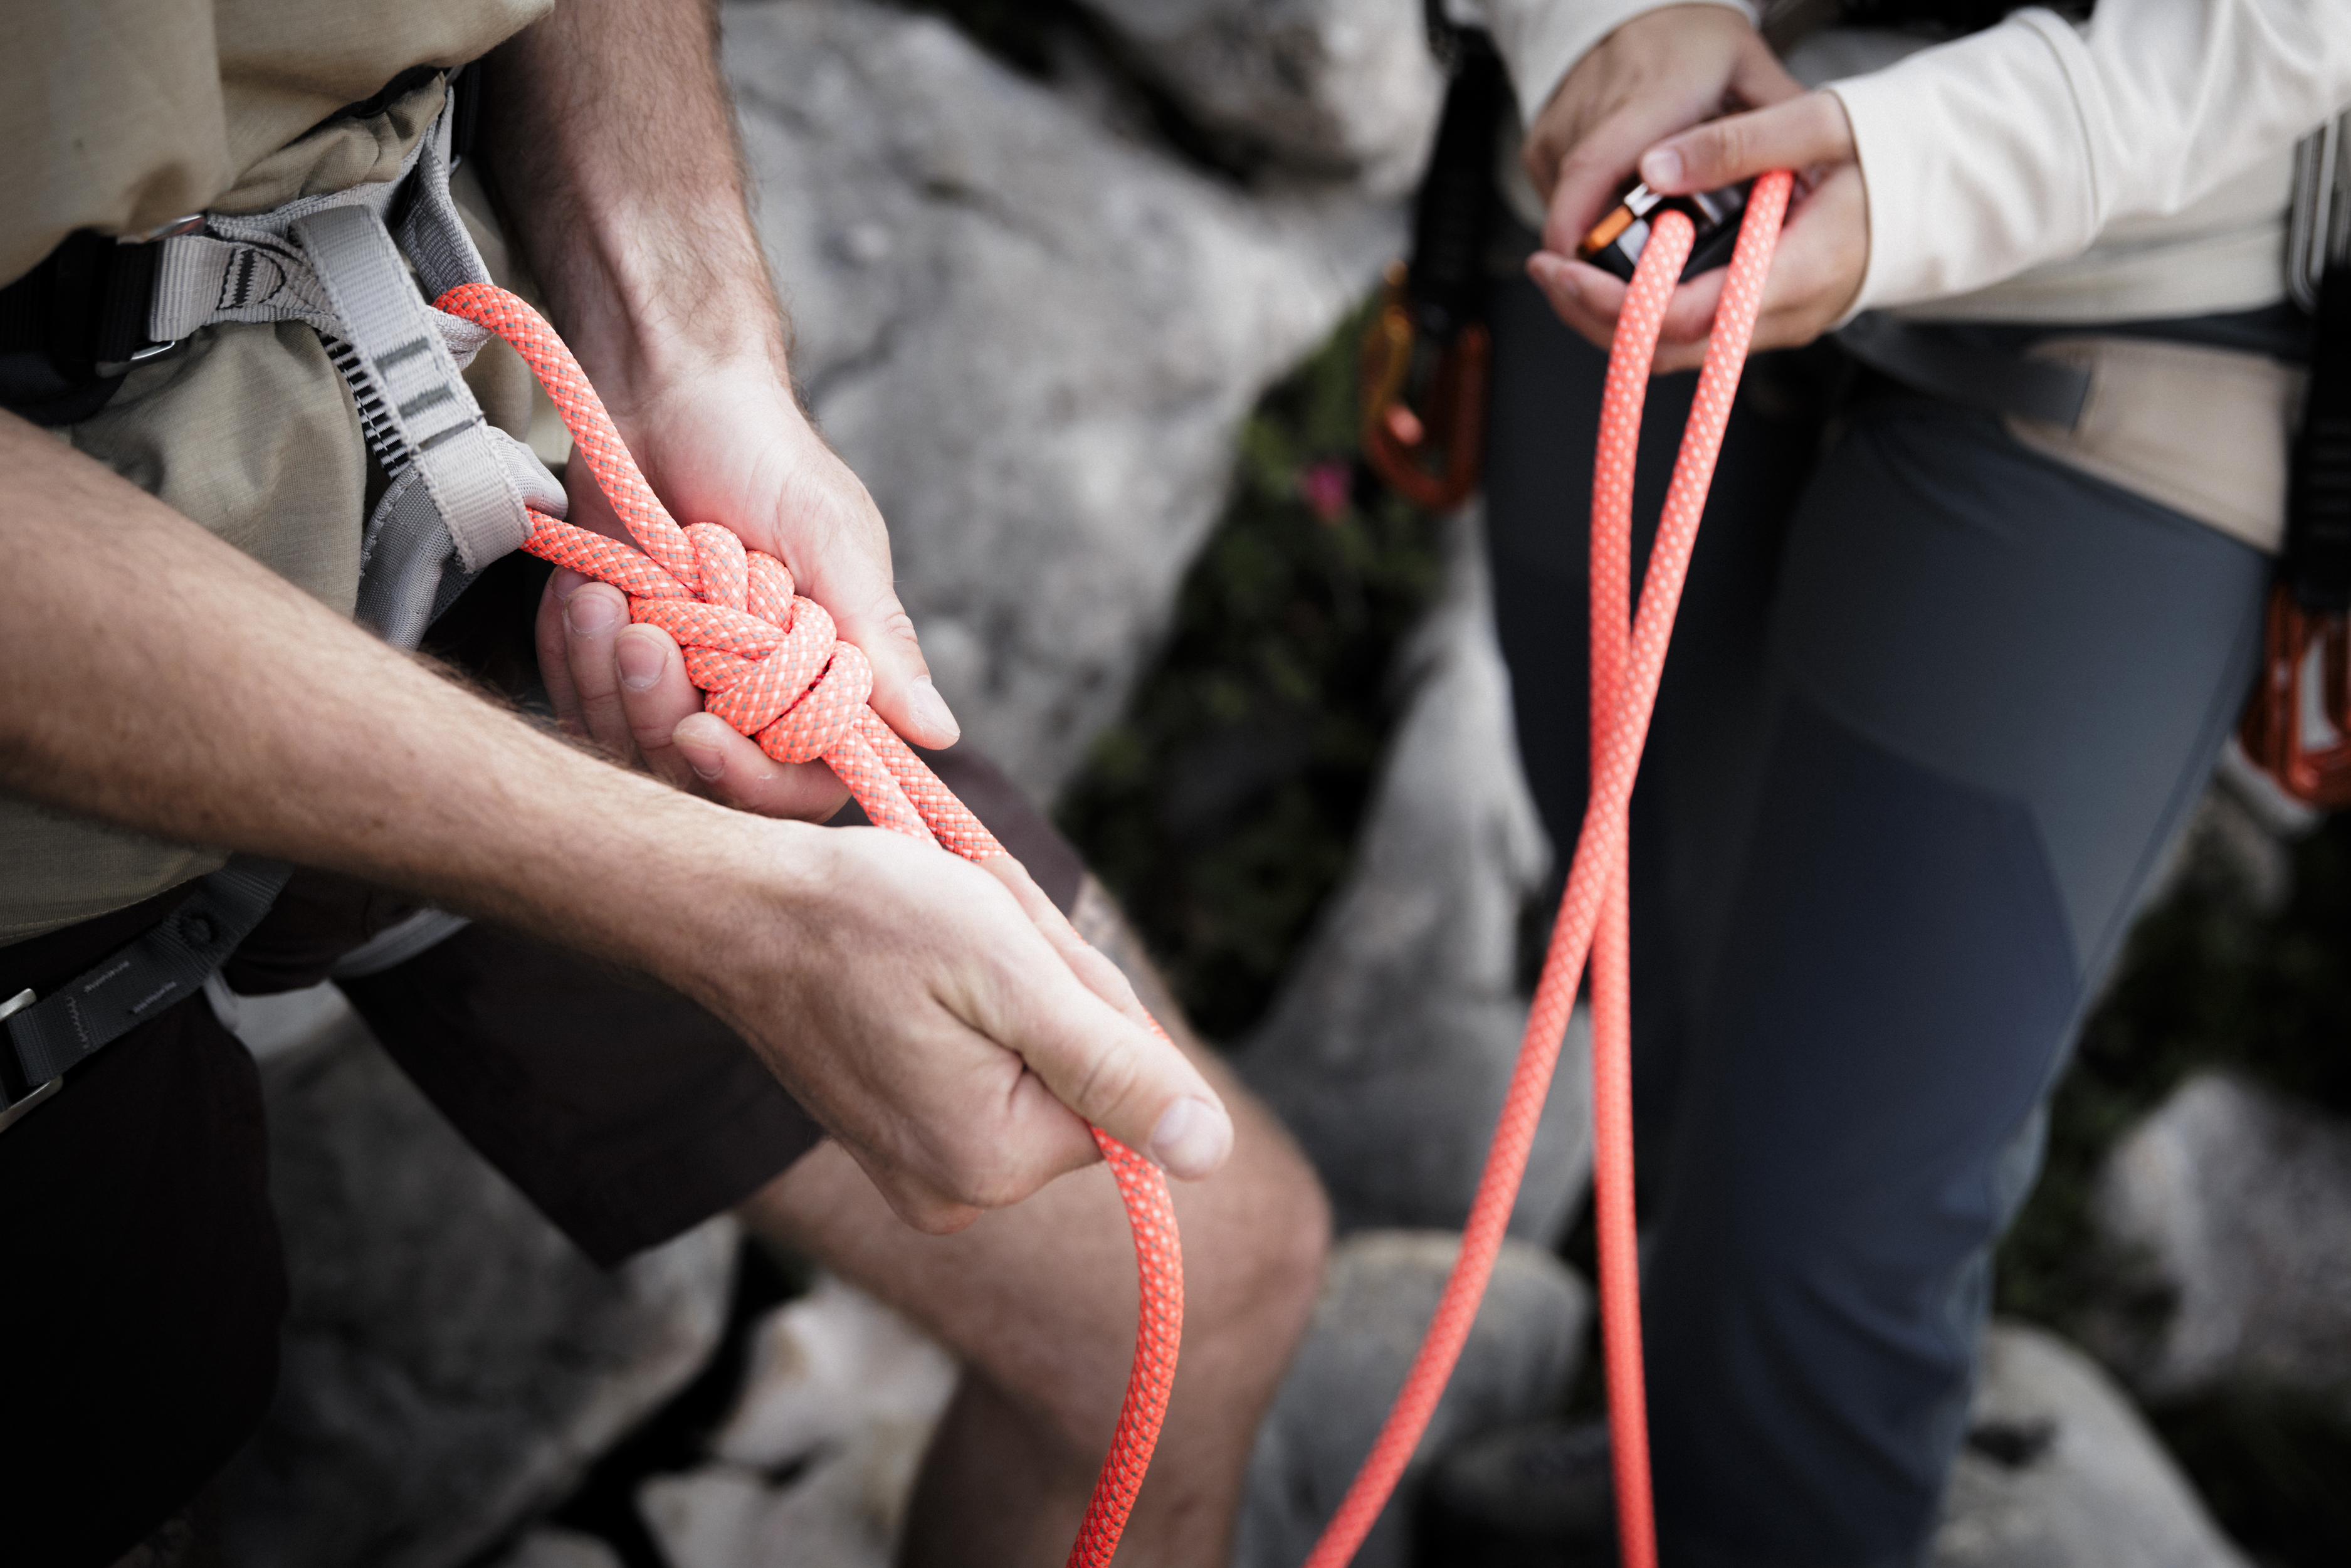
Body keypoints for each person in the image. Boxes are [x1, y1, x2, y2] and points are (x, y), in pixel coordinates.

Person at [0, 3, 1327, 1564]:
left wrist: (686, 352)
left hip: (436, 448)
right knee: (134, 1474)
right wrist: (732, 916)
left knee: (1201, 1284)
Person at [1412, 0, 2351, 1561]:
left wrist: (1918, 168)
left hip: (2135, 287)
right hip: (1640, 198)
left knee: (1828, 1209)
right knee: (1657, 990)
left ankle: (1759, 1482)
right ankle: (1677, 1432)